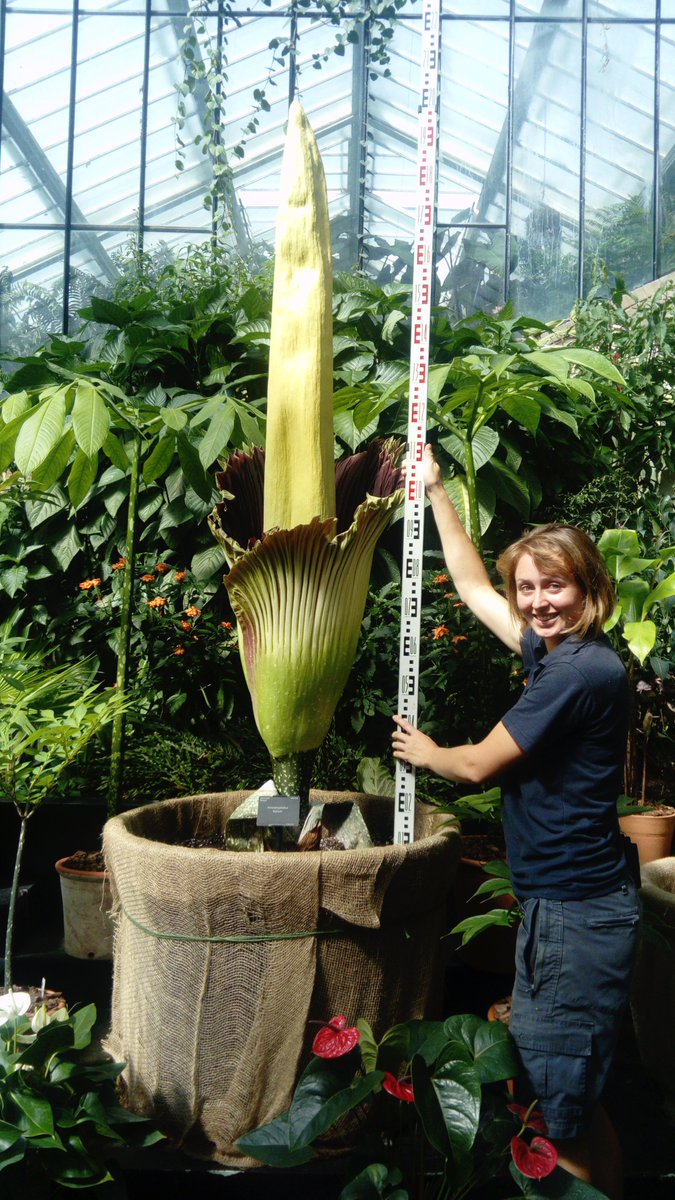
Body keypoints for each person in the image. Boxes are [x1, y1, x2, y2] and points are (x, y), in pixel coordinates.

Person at [392, 445, 640, 1200]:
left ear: (588, 587)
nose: (536, 603)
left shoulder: (577, 673)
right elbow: (473, 588)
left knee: (556, 1114)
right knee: (573, 1102)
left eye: (553, 586)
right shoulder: (566, 654)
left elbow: (476, 766)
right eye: (527, 588)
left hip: (574, 914)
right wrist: (437, 492)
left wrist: (427, 752)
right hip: (567, 904)